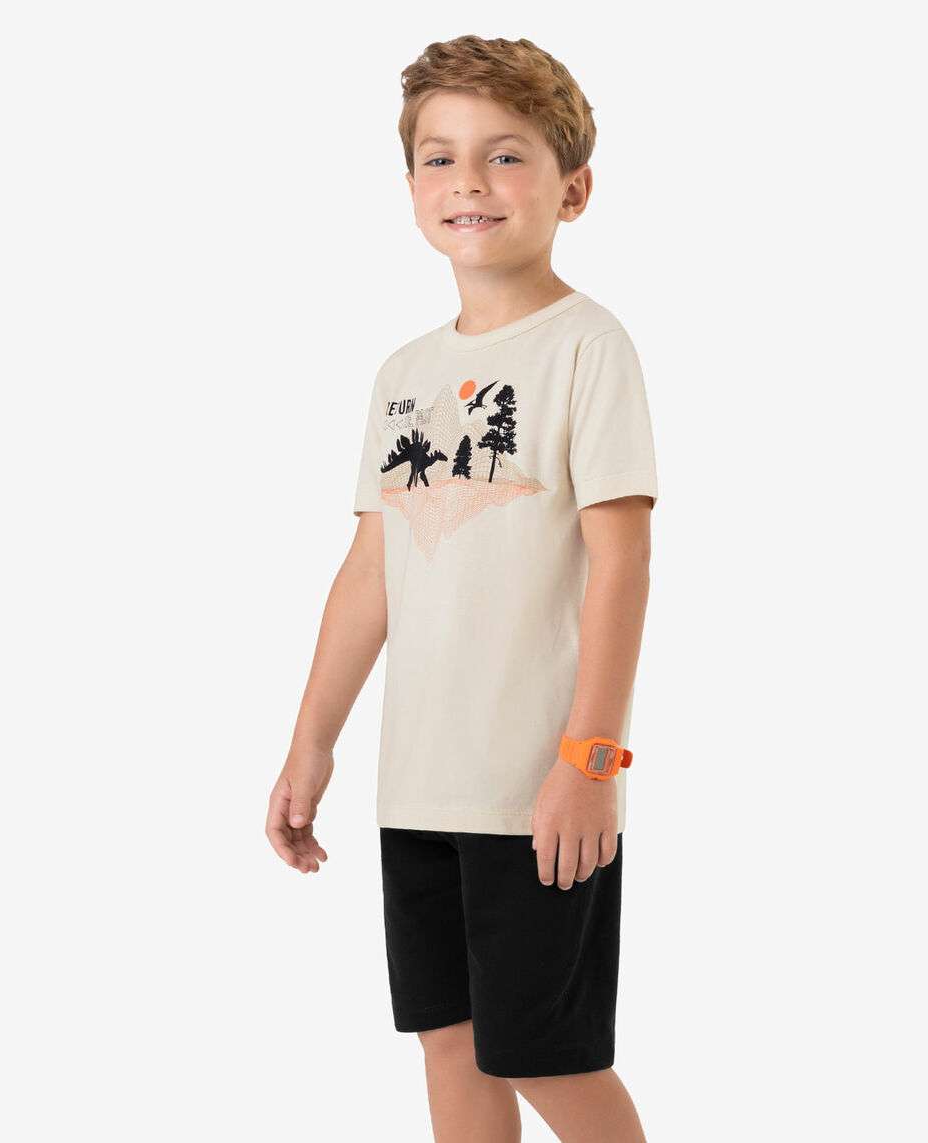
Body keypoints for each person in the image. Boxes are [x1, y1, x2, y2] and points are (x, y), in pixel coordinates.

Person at [266, 35, 657, 1143]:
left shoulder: (587, 348)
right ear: (410, 187)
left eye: (505, 155)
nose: (468, 182)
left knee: (549, 1058)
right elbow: (370, 571)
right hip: (417, 785)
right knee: (451, 1042)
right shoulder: (403, 375)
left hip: (537, 788)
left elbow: (623, 562)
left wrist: (590, 759)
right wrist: (310, 745)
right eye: (439, 158)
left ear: (573, 189)